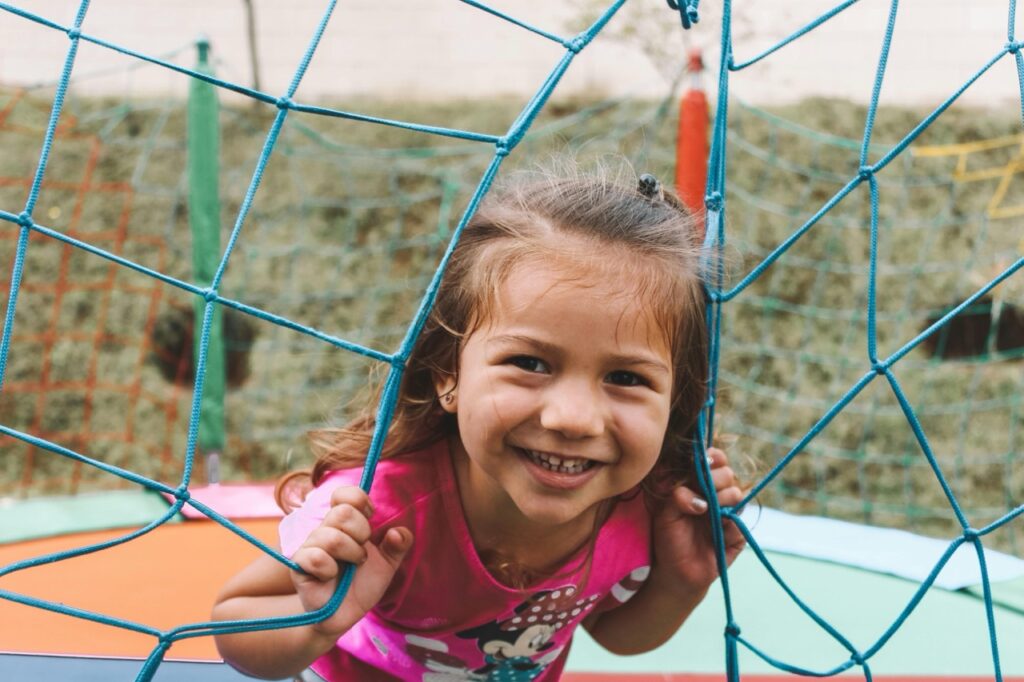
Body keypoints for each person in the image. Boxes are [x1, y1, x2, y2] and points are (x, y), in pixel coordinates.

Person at [211, 164, 746, 681]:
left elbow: (614, 636)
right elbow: (235, 624)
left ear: (676, 402)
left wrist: (682, 580)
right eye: (530, 364)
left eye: (626, 378)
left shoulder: (646, 504)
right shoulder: (378, 511)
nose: (573, 419)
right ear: (449, 374)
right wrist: (316, 623)